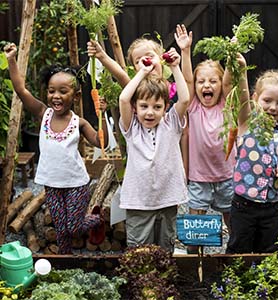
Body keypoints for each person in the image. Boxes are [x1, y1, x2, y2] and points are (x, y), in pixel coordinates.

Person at [4, 43, 108, 254]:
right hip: (52, 184)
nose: (56, 96)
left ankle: (97, 219)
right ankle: (65, 260)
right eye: (51, 91)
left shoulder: (79, 123)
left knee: (74, 227)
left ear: (76, 96)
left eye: (63, 91)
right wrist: (12, 60)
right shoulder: (44, 114)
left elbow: (100, 142)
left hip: (76, 184)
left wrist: (102, 115)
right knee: (61, 230)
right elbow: (21, 89)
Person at [118, 47, 189, 252]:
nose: (150, 112)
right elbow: (124, 98)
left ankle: (161, 281)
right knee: (139, 248)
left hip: (168, 197)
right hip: (139, 201)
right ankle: (140, 284)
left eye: (157, 107)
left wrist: (175, 67)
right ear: (135, 108)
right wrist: (142, 72)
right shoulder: (132, 128)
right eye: (144, 106)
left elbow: (184, 99)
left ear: (166, 107)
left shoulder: (171, 124)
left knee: (165, 245)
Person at [87, 37, 189, 177]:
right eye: (137, 61)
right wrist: (101, 55)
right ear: (135, 68)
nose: (144, 61)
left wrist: (178, 60)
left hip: (169, 155)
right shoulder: (136, 91)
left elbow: (185, 98)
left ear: (161, 59)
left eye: (149, 56)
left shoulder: (174, 88)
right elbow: (121, 76)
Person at [175, 24, 235, 252]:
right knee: (196, 228)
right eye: (202, 82)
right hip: (199, 178)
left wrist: (231, 56)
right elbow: (188, 81)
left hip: (226, 176)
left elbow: (231, 81)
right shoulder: (193, 107)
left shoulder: (227, 105)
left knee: (233, 221)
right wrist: (185, 52)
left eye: (212, 81)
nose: (206, 85)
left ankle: (234, 255)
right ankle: (194, 259)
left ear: (221, 85)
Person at [226, 68, 278, 254]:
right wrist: (240, 70)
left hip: (274, 206)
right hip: (245, 204)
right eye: (267, 100)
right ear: (255, 98)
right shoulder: (247, 122)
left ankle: (261, 282)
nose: (273, 107)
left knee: (268, 248)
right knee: (239, 247)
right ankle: (235, 281)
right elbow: (241, 95)